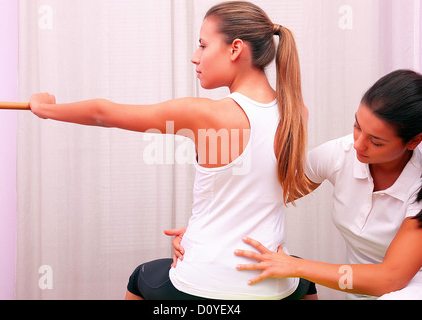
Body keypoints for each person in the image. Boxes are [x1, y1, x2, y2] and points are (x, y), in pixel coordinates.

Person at [29, 1, 317, 300]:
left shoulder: (206, 114)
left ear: (235, 49)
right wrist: (197, 232)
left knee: (141, 277)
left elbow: (104, 113)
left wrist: (46, 108)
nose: (195, 57)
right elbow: (255, 193)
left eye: (203, 45)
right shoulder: (298, 113)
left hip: (207, 284)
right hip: (275, 285)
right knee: (305, 282)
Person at [231, 70, 422, 299]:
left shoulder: (417, 185)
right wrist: (207, 227)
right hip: (359, 289)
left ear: (413, 141)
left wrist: (295, 266)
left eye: (376, 142)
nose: (358, 145)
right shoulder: (340, 154)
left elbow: (389, 279)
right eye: (358, 126)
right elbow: (269, 196)